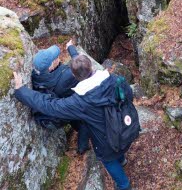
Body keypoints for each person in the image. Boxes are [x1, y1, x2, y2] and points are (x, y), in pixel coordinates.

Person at [14, 52, 134, 190]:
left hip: (106, 140)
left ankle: (124, 186)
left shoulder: (79, 102)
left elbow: (51, 105)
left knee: (109, 160)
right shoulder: (114, 79)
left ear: (75, 77)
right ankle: (122, 160)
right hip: (125, 127)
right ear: (91, 66)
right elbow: (128, 95)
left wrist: (22, 91)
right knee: (118, 146)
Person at [31, 39, 90, 155]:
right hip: (57, 116)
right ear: (50, 67)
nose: (58, 57)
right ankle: (82, 147)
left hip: (50, 112)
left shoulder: (37, 75)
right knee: (86, 120)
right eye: (56, 58)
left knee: (74, 114)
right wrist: (72, 50)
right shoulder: (65, 78)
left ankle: (76, 126)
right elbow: (81, 68)